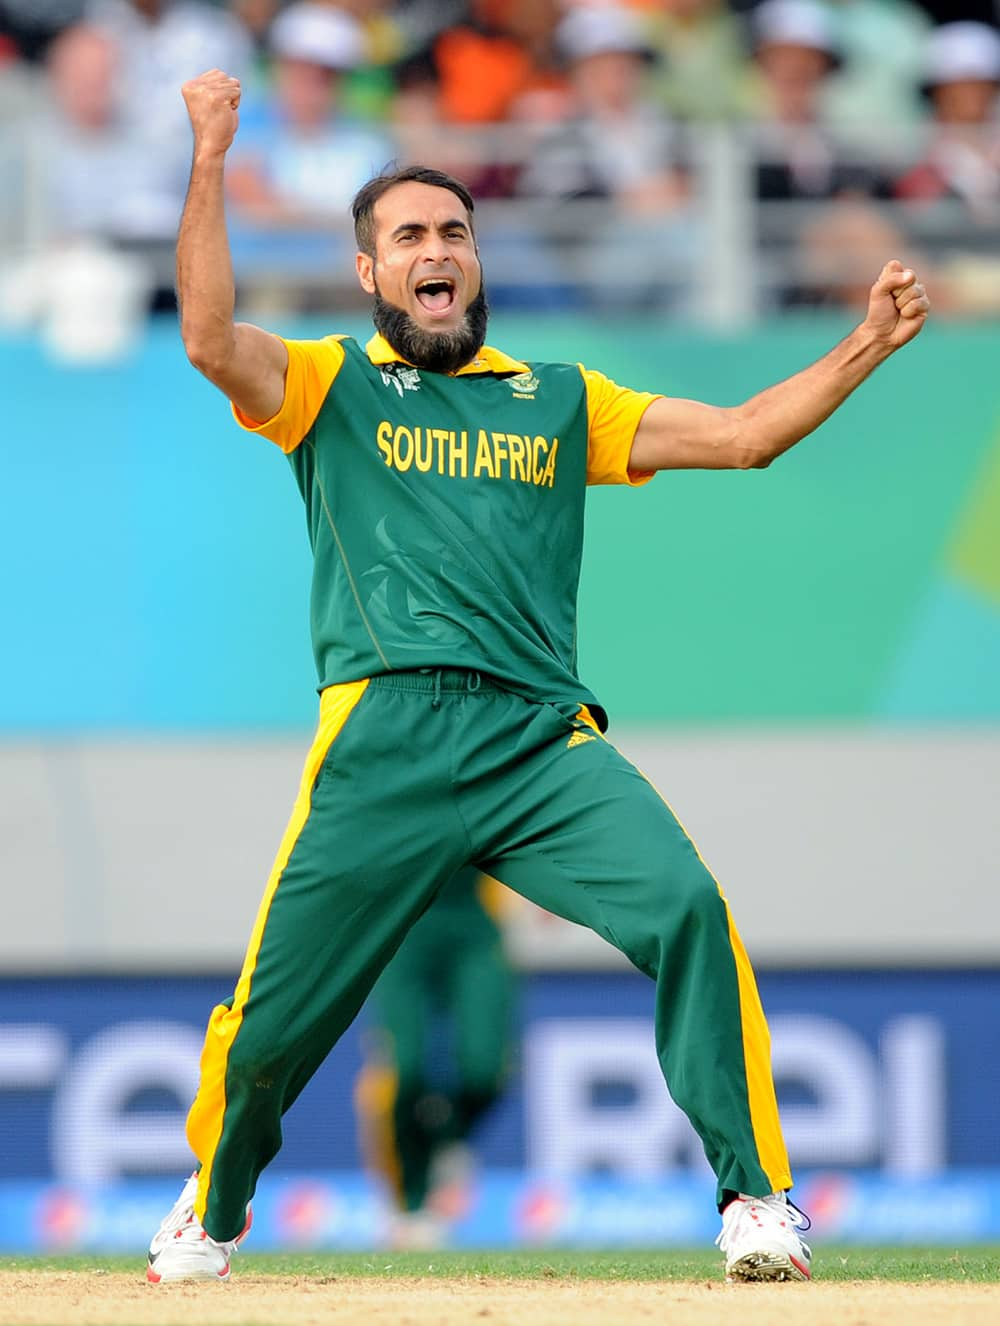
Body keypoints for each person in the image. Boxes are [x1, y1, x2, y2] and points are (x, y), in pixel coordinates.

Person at [145, 66, 929, 1286]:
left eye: (452, 230)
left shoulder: (558, 398)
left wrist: (864, 345)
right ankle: (212, 1209)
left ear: (474, 258)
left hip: (534, 742)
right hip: (384, 740)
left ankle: (757, 1202)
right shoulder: (327, 386)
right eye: (407, 236)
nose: (434, 250)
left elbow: (740, 436)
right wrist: (207, 160)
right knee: (268, 1036)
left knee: (685, 909)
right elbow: (203, 338)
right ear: (369, 274)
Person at [354, 865, 516, 1249]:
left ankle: (447, 1141)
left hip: (475, 924)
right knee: (405, 1070)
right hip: (402, 924)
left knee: (485, 1066)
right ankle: (409, 1206)